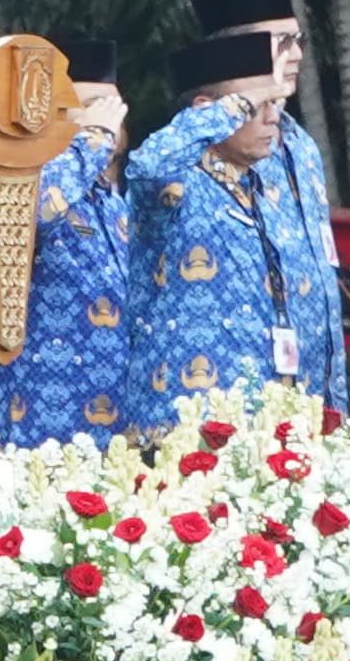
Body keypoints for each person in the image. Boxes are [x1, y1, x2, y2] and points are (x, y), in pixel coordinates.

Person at [186, 0, 349, 412]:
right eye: (280, 43)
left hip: (311, 386)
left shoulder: (300, 142)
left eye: (298, 41)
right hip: (229, 391)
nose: (294, 55)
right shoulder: (197, 147)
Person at [125, 32, 300, 427]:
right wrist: (237, 105)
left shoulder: (261, 185)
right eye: (257, 106)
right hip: (184, 414)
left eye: (275, 103)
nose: (272, 117)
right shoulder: (176, 183)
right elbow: (148, 164)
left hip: (263, 409)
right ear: (206, 110)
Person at [0, 37, 131, 445]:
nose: (109, 120)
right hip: (39, 419)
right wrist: (91, 139)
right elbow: (36, 214)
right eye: (92, 105)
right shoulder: (23, 176)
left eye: (113, 106)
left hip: (113, 423)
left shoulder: (116, 203)